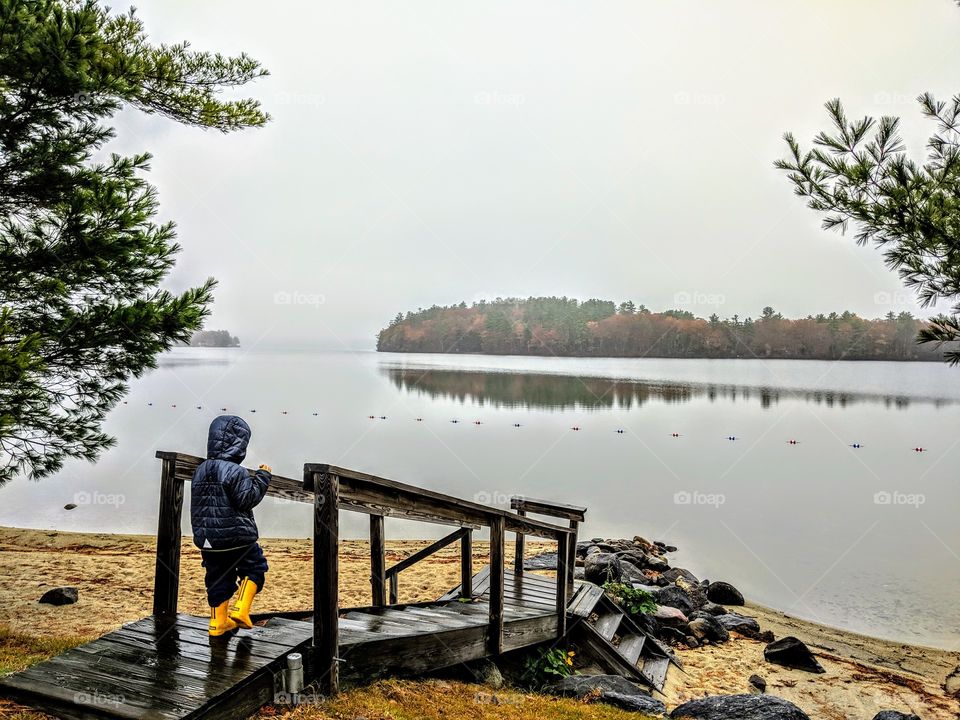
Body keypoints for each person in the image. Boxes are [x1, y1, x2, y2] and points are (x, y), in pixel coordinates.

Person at [190, 415, 272, 636]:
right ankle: (241, 609)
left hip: (208, 540)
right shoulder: (236, 470)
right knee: (255, 567)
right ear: (239, 444)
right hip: (237, 538)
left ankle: (218, 624)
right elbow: (247, 499)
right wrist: (263, 477)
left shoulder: (200, 470)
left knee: (217, 577)